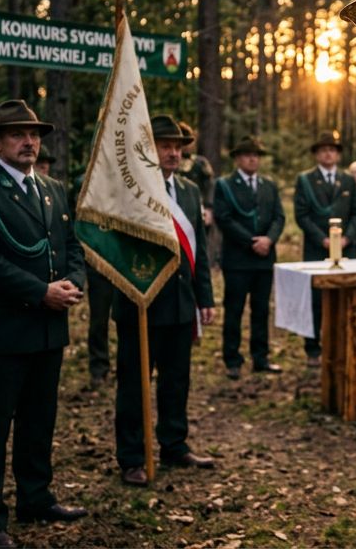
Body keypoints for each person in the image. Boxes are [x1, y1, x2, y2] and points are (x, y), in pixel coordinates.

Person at [0, 100, 87, 549]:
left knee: (39, 420)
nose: (29, 142)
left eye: (33, 134)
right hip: (3, 331)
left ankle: (36, 497)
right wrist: (41, 291)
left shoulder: (52, 188)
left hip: (48, 329)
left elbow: (71, 245)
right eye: (17, 134)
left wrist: (73, 283)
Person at [115, 115, 216, 485]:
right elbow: (118, 246)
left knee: (176, 381)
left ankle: (174, 444)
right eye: (165, 146)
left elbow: (199, 249)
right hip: (141, 303)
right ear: (149, 148)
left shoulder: (189, 190)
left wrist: (205, 297)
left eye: (178, 147)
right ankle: (132, 457)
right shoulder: (133, 189)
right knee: (134, 385)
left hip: (180, 302)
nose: (174, 153)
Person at [214, 137, 285, 380]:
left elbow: (279, 217)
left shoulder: (268, 185)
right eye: (247, 155)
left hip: (264, 259)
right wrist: (252, 241)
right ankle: (232, 360)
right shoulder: (225, 185)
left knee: (261, 310)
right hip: (238, 259)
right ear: (237, 159)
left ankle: (260, 358)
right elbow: (224, 218)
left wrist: (269, 240)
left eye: (256, 155)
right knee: (234, 310)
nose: (252, 159)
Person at [293, 130, 356, 365]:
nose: (328, 154)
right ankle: (313, 350)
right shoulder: (305, 180)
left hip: (345, 250)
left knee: (345, 298)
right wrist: (322, 239)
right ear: (317, 154)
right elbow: (301, 215)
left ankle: (343, 344)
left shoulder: (348, 180)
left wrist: (347, 238)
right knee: (315, 301)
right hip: (316, 248)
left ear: (338, 155)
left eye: (332, 150)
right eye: (323, 150)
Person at [178, 123, 219, 268]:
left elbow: (210, 186)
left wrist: (209, 208)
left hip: (197, 209)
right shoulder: (170, 161)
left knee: (199, 244)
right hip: (174, 209)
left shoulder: (200, 163)